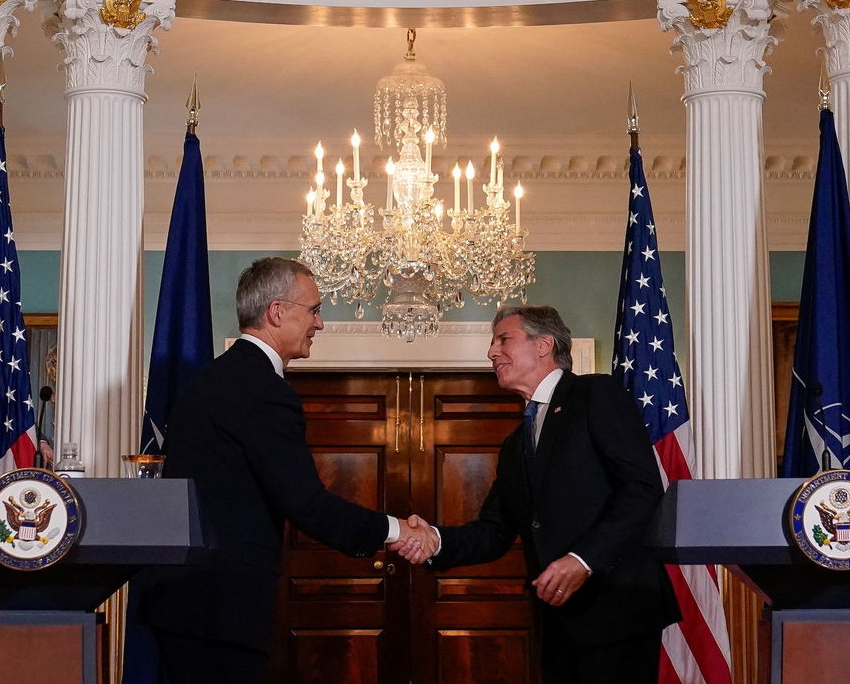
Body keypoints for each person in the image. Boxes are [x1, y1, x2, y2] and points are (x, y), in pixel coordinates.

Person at [143, 257, 437, 683]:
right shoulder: (263, 389)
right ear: (277, 312)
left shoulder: (212, 378)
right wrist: (398, 532)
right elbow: (307, 503)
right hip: (221, 609)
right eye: (314, 310)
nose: (320, 324)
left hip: (188, 602)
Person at [395, 305, 681, 684]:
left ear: (544, 344)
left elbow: (642, 489)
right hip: (556, 620)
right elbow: (494, 532)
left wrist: (582, 560)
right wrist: (434, 540)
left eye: (503, 339)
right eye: (493, 342)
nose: (491, 352)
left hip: (616, 611)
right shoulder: (516, 443)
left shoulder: (595, 394)